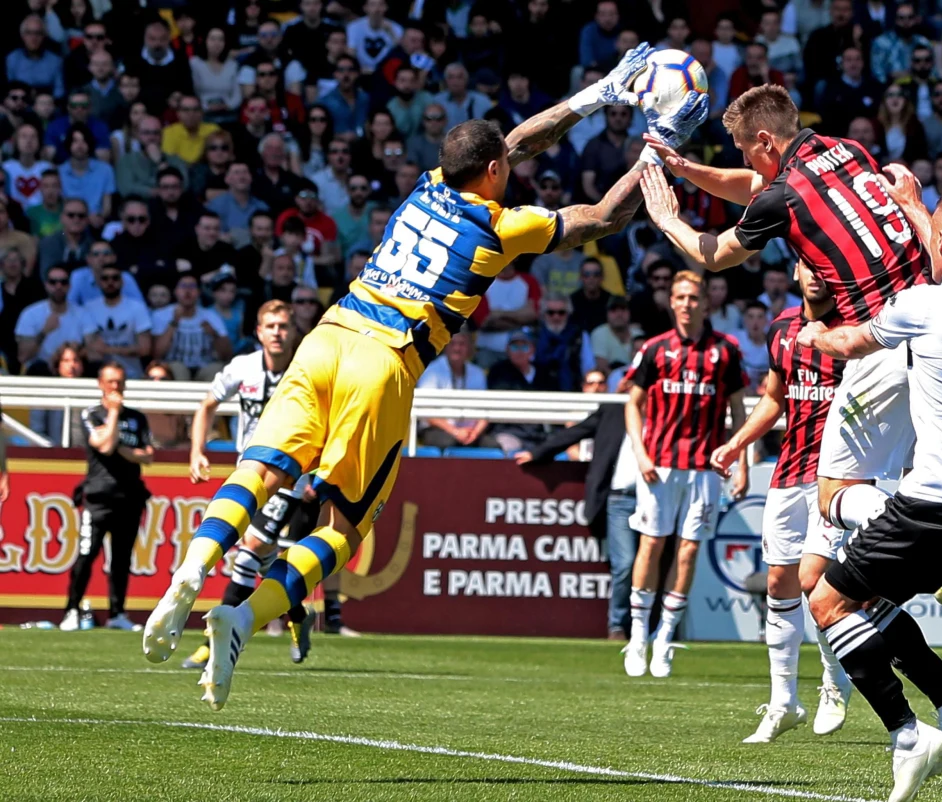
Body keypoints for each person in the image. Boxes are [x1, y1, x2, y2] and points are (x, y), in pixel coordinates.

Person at [142, 45, 698, 712]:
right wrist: (659, 145)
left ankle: (193, 566)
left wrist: (599, 93)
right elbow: (604, 217)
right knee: (346, 526)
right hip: (384, 363)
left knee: (259, 473)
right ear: (494, 172)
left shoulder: (428, 185)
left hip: (329, 335)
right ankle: (242, 617)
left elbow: (514, 143)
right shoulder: (501, 228)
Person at [640, 85, 942, 617]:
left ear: (764, 140)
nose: (741, 160)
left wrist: (668, 220)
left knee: (832, 493)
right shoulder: (847, 151)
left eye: (741, 148)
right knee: (930, 479)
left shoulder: (783, 197)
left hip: (883, 339)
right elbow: (756, 186)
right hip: (935, 319)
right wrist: (689, 171)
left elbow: (714, 255)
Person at [797, 187, 942, 801]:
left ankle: (906, 733)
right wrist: (917, 208)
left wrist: (812, 332)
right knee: (872, 607)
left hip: (933, 501)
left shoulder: (922, 303)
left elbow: (850, 344)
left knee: (826, 604)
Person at [711, 259, 852, 744]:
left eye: (825, 267)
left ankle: (835, 679)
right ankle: (783, 702)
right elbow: (774, 397)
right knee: (779, 580)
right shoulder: (780, 328)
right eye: (808, 265)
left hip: (839, 477)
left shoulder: (857, 331)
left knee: (820, 585)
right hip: (788, 471)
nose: (817, 273)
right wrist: (738, 442)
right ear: (795, 272)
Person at [623, 270, 748, 679]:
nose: (686, 304)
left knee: (689, 550)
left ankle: (664, 636)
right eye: (679, 297)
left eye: (693, 297)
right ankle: (639, 634)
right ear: (671, 302)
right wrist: (640, 455)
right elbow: (632, 403)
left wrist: (740, 458)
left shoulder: (725, 351)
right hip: (658, 464)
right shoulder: (655, 349)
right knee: (653, 543)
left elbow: (738, 408)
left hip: (704, 467)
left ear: (704, 303)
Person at [180, 300, 317, 670]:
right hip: (251, 473)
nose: (277, 332)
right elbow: (207, 404)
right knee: (265, 556)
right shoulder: (244, 367)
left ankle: (213, 642)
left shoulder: (307, 369)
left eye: (284, 326)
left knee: (250, 547)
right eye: (270, 325)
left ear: (294, 332)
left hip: (291, 474)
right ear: (258, 332)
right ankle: (299, 616)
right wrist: (197, 451)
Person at [515, 371, 635, 639]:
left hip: (657, 499)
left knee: (653, 565)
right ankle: (618, 625)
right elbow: (576, 432)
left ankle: (654, 626)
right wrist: (538, 453)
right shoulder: (613, 410)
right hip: (618, 499)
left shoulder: (665, 414)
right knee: (626, 563)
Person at [61, 362, 153, 632]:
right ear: (101, 384)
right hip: (98, 497)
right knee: (87, 555)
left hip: (130, 496)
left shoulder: (138, 418)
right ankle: (71, 610)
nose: (116, 387)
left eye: (120, 382)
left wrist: (119, 447)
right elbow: (104, 444)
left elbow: (147, 456)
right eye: (111, 382)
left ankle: (117, 613)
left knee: (122, 559)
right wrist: (113, 414)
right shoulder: (92, 414)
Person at [415, 331, 497, 449]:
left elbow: (485, 411)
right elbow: (426, 412)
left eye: (462, 344)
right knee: (451, 444)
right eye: (452, 343)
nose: (457, 348)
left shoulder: (478, 373)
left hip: (470, 432)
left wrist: (475, 433)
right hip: (437, 429)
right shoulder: (431, 371)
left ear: (469, 347)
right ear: (445, 346)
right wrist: (456, 432)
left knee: (494, 446)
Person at [81, 266, 152, 379]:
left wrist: (107, 349)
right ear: (99, 282)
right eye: (105, 278)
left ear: (122, 281)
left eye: (115, 278)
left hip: (132, 374)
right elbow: (90, 348)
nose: (110, 282)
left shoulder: (137, 307)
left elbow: (145, 349)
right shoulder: (89, 308)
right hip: (99, 375)